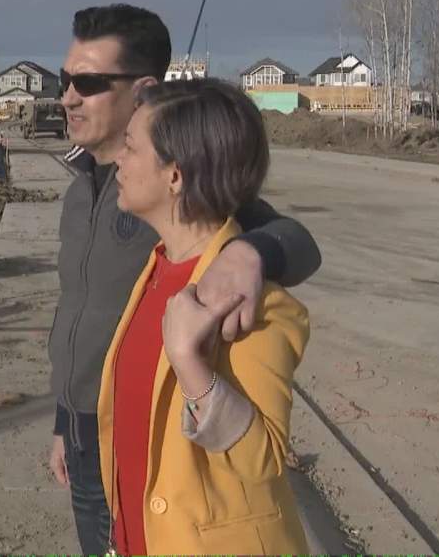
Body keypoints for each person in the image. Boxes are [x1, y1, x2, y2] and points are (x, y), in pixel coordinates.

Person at [47, 4, 321, 555]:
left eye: (89, 82)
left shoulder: (190, 202)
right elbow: (79, 315)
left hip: (165, 454)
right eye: (64, 79)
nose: (68, 97)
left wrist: (252, 251)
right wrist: (64, 420)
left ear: (143, 89)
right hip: (91, 434)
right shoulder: (84, 194)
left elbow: (297, 243)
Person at [96, 78, 309, 555]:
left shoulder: (249, 300)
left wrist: (192, 368)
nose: (118, 159)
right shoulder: (158, 268)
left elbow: (263, 459)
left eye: (131, 146)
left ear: (175, 175)